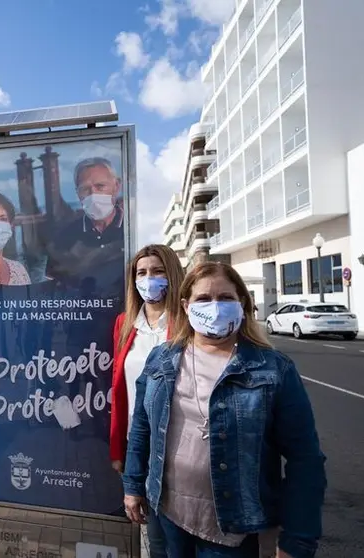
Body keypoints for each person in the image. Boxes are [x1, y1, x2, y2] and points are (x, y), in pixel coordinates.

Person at [122, 262, 326, 558]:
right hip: (166, 514)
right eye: (204, 299)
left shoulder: (272, 369)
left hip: (232, 529)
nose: (215, 307)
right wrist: (133, 485)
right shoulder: (161, 359)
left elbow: (305, 459)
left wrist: (297, 540)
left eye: (226, 298)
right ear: (186, 305)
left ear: (242, 304)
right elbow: (142, 427)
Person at [109, 245, 185, 557]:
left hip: (181, 446)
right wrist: (119, 449)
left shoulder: (187, 322)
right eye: (142, 273)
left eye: (158, 271)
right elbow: (119, 390)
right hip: (140, 446)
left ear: (173, 275)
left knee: (182, 540)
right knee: (157, 542)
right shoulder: (125, 324)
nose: (149, 279)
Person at [44, 157, 125, 292]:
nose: (93, 194)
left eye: (100, 186)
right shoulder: (62, 239)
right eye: (85, 189)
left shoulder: (132, 230)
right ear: (77, 193)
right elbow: (51, 291)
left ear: (116, 186)